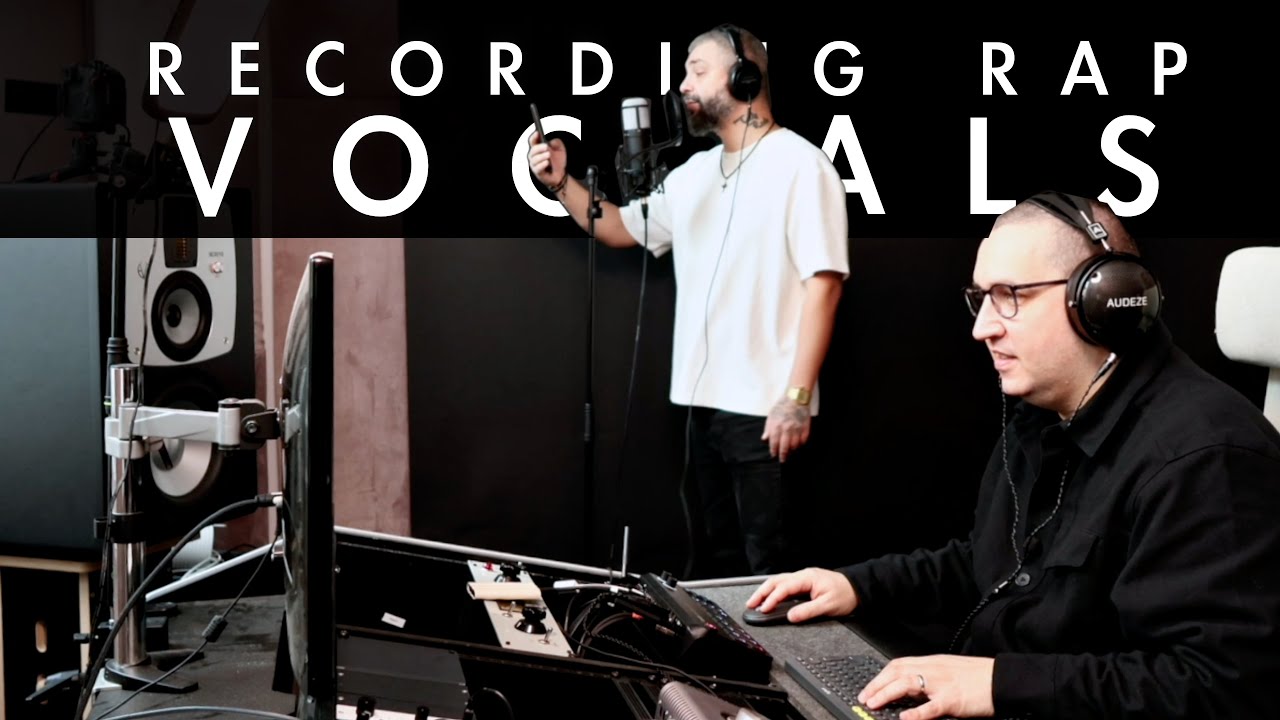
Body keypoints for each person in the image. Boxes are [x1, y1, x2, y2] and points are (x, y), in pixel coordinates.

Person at [746, 192, 1280, 719]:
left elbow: (1220, 688)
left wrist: (1000, 683)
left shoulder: (1207, 458)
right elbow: (999, 566)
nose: (982, 328)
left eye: (1009, 295)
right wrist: (857, 586)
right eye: (981, 297)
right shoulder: (1042, 416)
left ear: (1103, 298)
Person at [527, 24, 849, 579]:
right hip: (702, 410)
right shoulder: (694, 174)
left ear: (743, 76)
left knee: (771, 570)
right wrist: (562, 184)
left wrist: (796, 397)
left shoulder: (802, 165)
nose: (684, 85)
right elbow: (620, 227)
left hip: (767, 412)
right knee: (716, 566)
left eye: (698, 70)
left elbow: (825, 283)